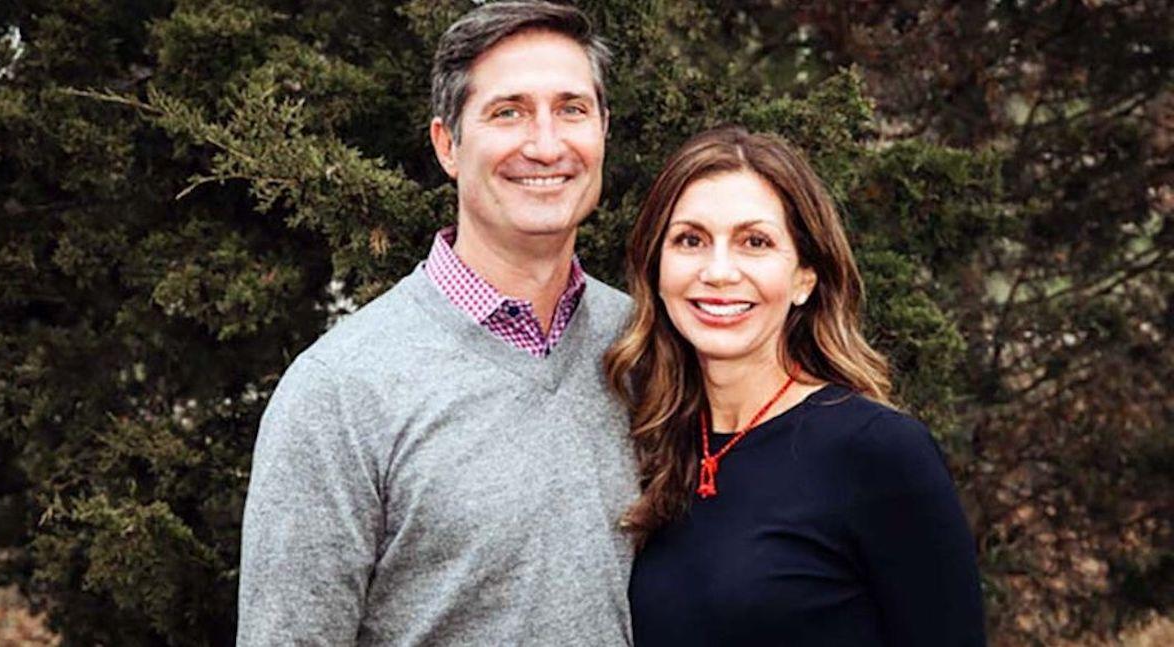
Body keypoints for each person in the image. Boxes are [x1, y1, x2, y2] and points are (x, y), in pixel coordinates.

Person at [238, 3, 636, 645]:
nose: (546, 143)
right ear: (447, 145)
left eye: (572, 109)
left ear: (603, 131)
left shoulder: (644, 346)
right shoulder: (340, 390)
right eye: (508, 112)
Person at [605, 126, 986, 646]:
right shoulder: (646, 441)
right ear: (657, 267)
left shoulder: (878, 451)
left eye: (754, 242)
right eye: (690, 240)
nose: (718, 271)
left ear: (805, 276)